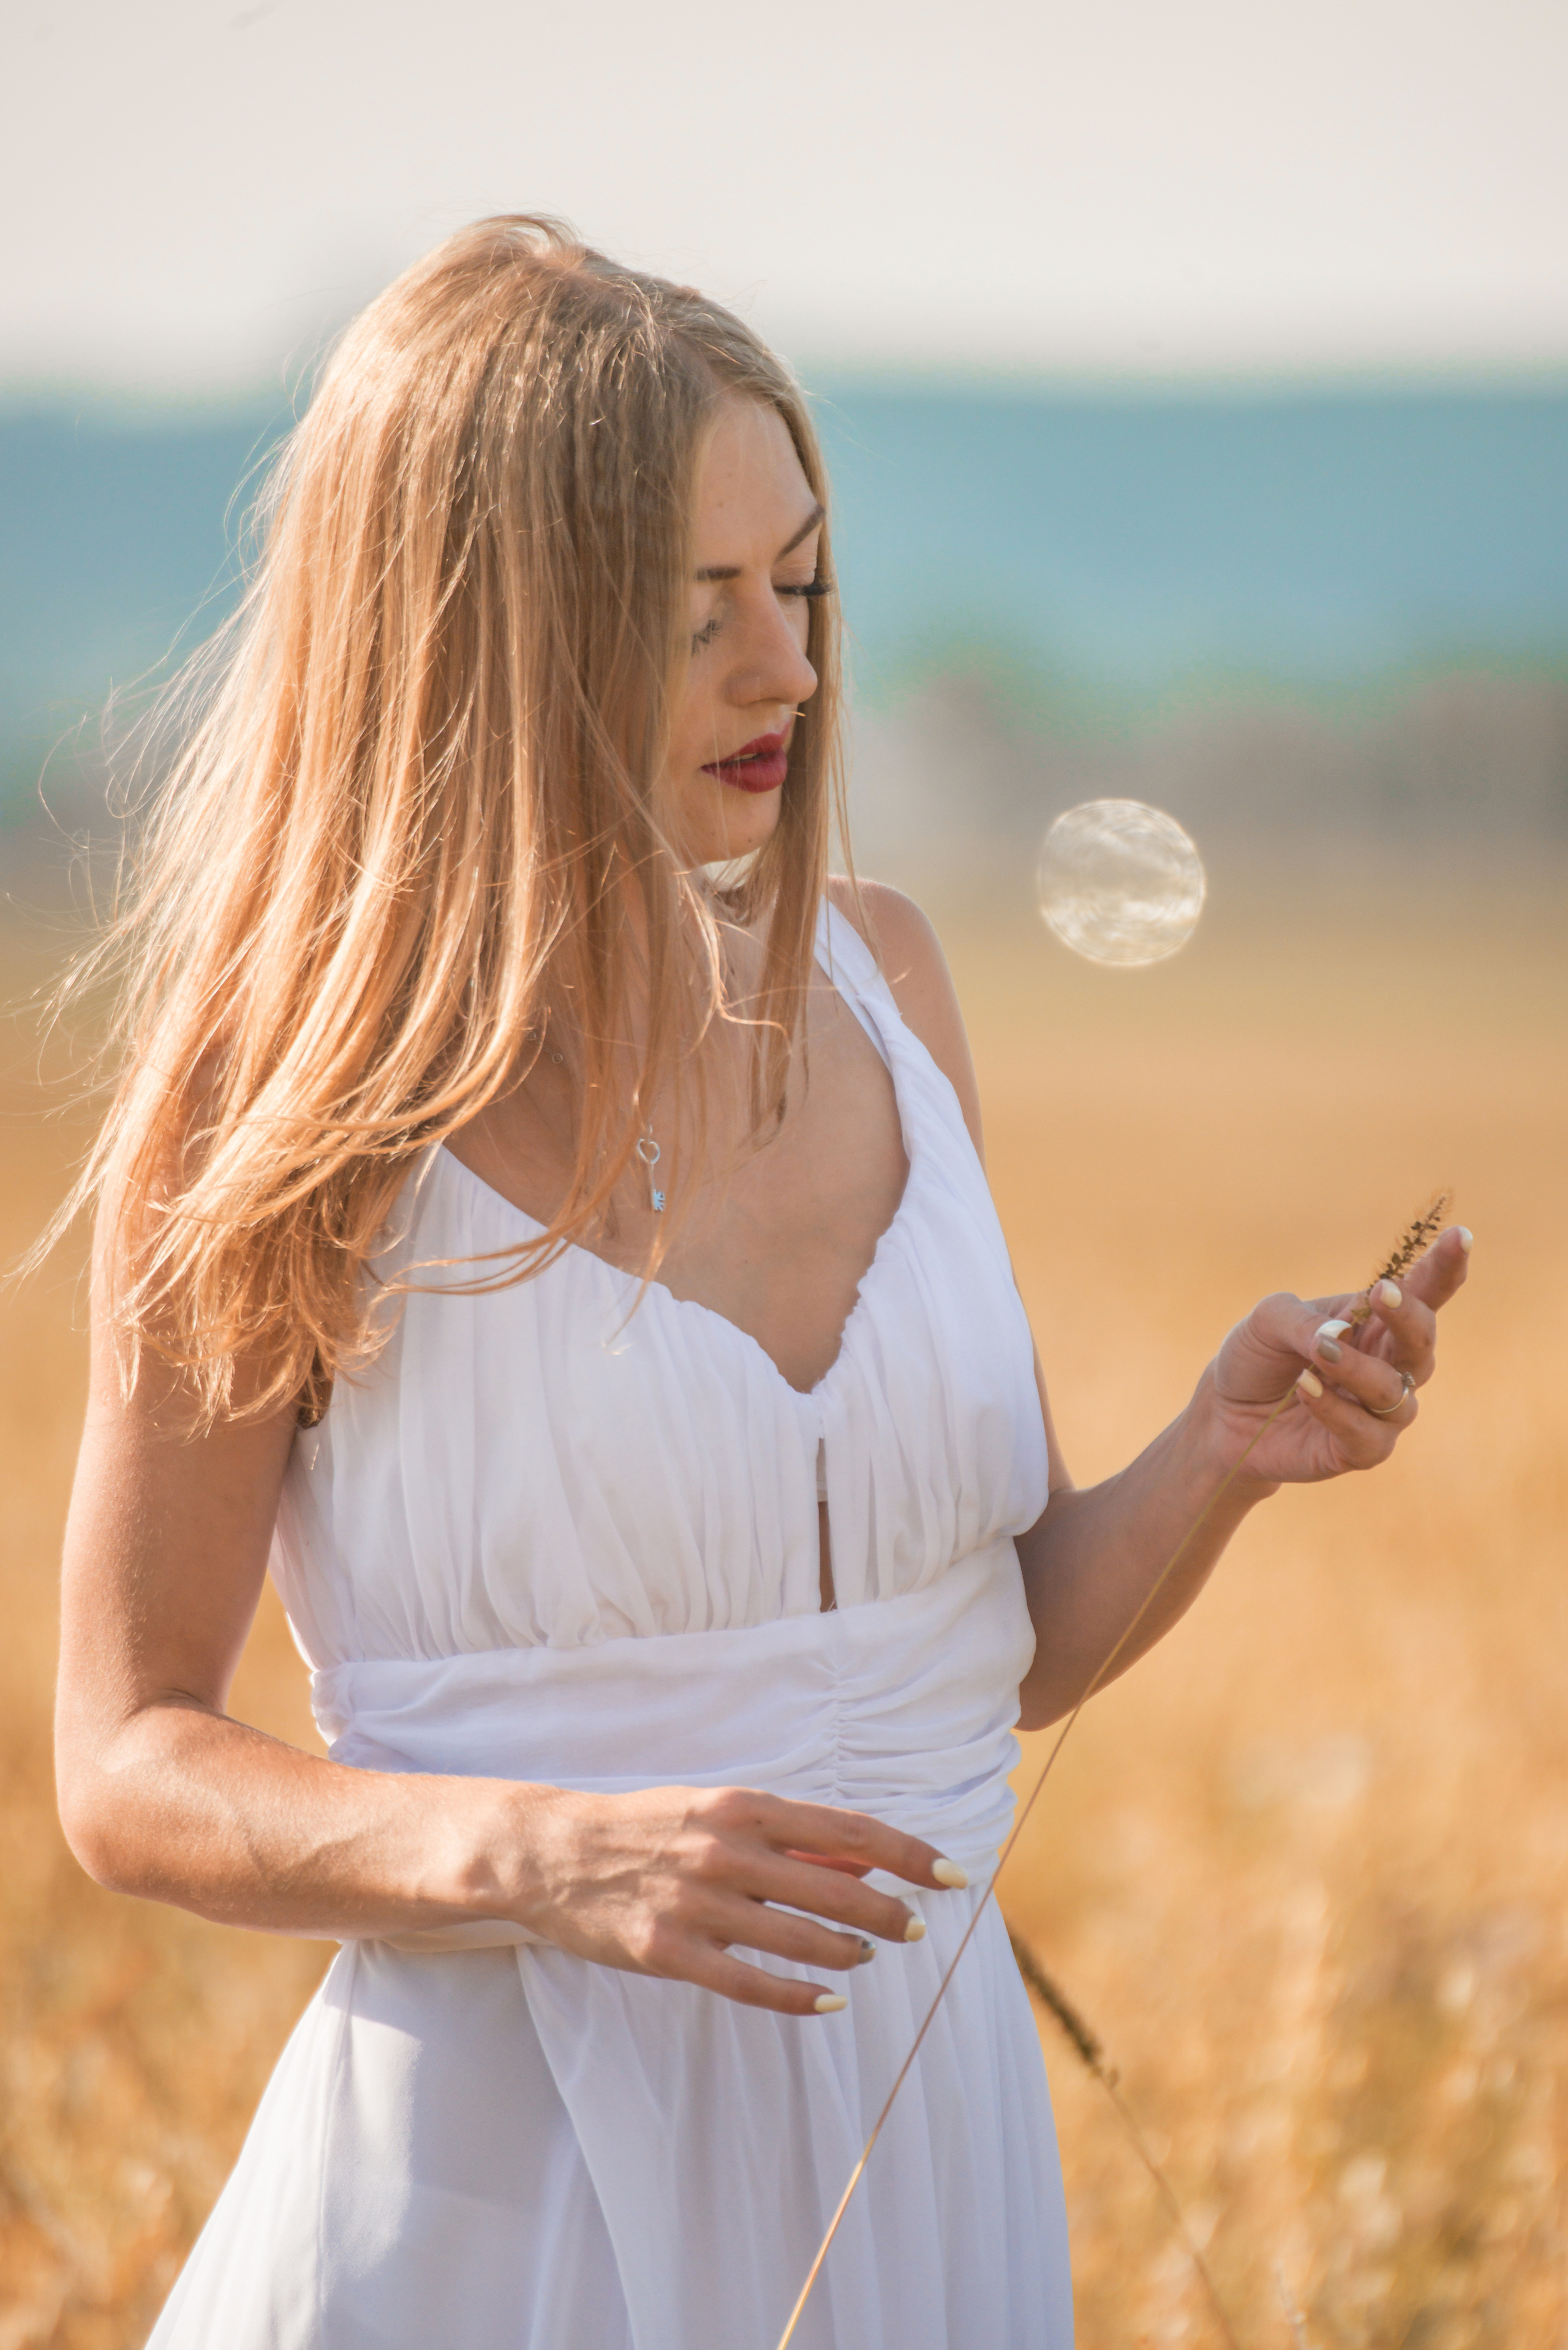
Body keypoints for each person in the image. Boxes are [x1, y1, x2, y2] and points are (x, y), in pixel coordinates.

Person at [51, 218, 1468, 2350]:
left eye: (799, 583)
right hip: (493, 2205)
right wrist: (543, 1856)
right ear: (485, 636)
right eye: (694, 606)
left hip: (925, 2152)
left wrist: (1216, 1461)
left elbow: (981, 1653)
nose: (788, 667)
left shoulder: (885, 984)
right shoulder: (290, 1108)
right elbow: (129, 1756)